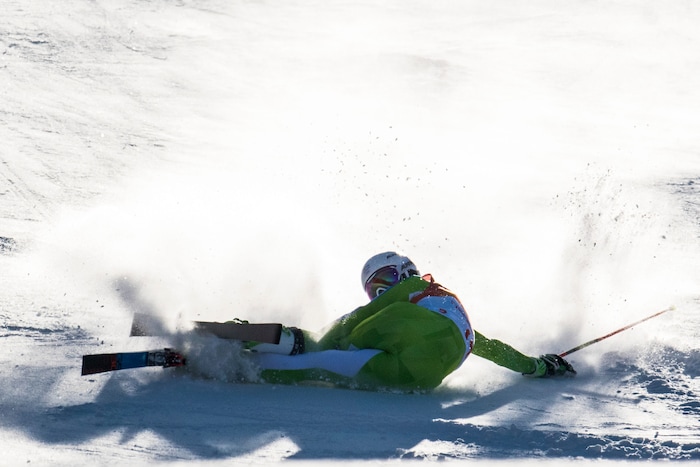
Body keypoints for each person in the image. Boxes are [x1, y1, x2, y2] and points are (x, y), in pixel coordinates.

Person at [247, 251, 575, 391]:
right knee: (324, 366)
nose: (384, 292)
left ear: (405, 272)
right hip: (419, 376)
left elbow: (360, 318)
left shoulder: (416, 289)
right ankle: (248, 368)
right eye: (376, 290)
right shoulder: (456, 317)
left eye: (386, 282)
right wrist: (537, 366)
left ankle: (292, 340)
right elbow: (490, 348)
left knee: (336, 339)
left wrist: (321, 335)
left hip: (418, 331)